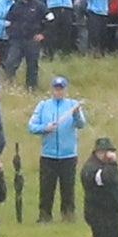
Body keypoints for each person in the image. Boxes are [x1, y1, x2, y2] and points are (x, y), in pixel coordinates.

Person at [29, 75, 86, 222]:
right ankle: (44, 215)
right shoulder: (43, 105)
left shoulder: (73, 105)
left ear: (65, 90)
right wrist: (44, 128)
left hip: (68, 155)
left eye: (61, 89)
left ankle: (68, 215)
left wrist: (76, 114)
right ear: (52, 89)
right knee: (46, 187)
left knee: (68, 187)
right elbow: (32, 126)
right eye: (56, 88)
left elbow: (81, 124)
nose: (58, 91)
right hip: (48, 154)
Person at [80, 135, 118, 237]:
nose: (106, 154)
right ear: (96, 152)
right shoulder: (90, 168)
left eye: (108, 151)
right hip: (100, 214)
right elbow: (103, 178)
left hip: (115, 215)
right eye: (102, 152)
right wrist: (112, 163)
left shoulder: (108, 167)